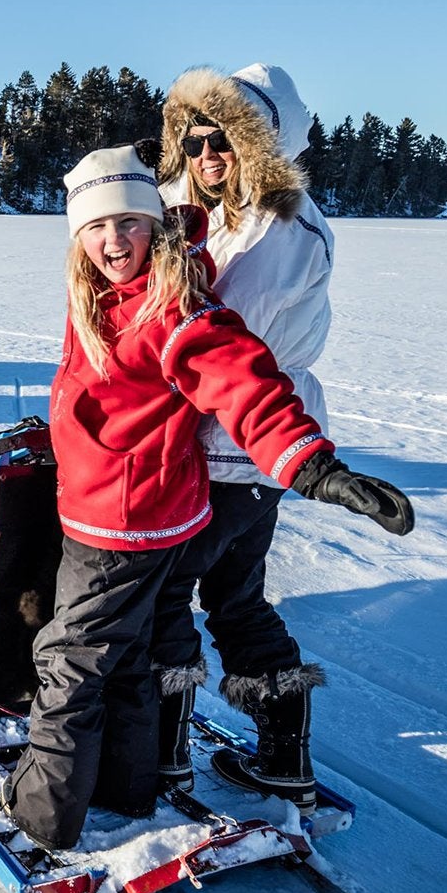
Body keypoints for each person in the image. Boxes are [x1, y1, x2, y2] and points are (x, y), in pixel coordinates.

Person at [3, 145, 412, 851]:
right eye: (96, 228)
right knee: (126, 657)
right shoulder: (98, 291)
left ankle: (42, 816)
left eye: (129, 223)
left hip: (124, 524)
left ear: (154, 225)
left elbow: (242, 382)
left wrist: (313, 468)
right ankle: (127, 790)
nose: (112, 242)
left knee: (69, 662)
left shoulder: (172, 307)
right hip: (123, 508)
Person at [137, 64, 396, 813]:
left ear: (262, 144)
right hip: (241, 451)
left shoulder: (280, 227)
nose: (206, 155)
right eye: (192, 142)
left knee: (166, 599)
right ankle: (283, 756)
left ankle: (162, 761)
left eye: (224, 140)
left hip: (239, 440)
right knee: (236, 598)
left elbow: (209, 336)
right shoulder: (216, 211)